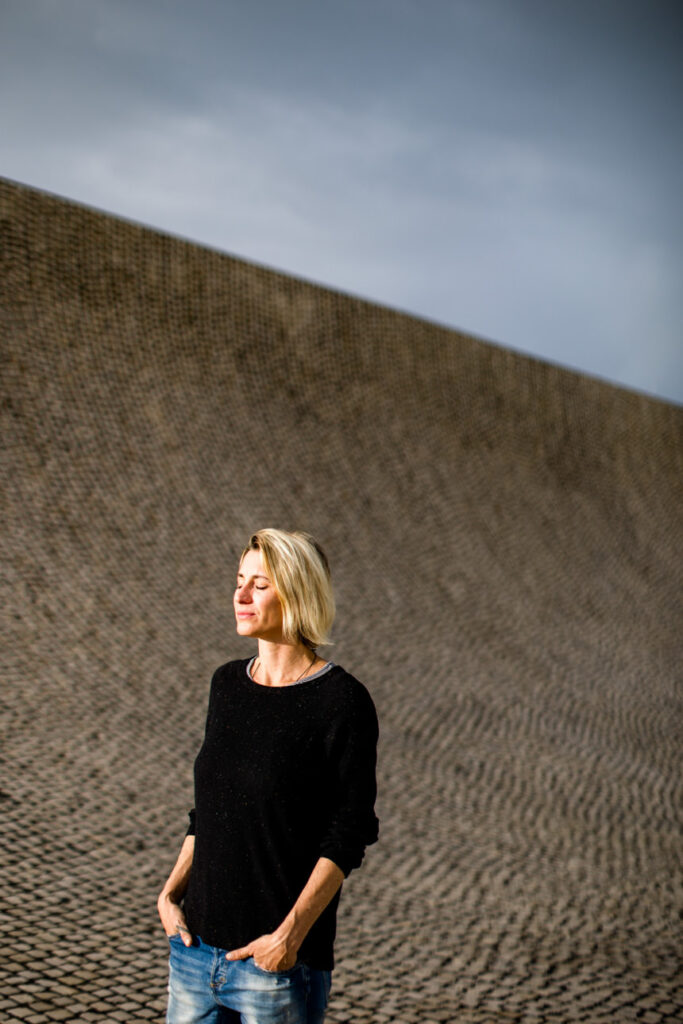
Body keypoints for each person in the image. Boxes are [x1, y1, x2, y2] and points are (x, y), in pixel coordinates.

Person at [158, 528, 380, 1024]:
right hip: (194, 953)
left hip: (274, 966)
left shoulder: (341, 703)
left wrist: (289, 937)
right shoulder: (226, 685)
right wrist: (170, 893)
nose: (240, 595)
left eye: (259, 584)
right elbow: (209, 810)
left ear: (298, 593)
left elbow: (349, 835)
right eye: (239, 580)